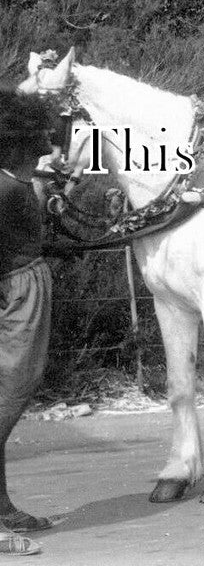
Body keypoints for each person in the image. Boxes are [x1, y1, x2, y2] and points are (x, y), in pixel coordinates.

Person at [0, 90, 58, 556]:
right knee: (9, 395)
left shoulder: (10, 184)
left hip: (14, 285)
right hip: (21, 291)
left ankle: (1, 508)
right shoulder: (10, 190)